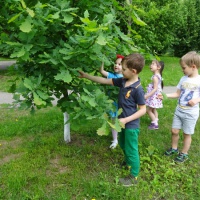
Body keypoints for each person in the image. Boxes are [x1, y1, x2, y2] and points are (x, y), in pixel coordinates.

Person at [78, 53, 146, 186]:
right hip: (120, 122)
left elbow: (143, 110)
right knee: (122, 143)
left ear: (133, 71)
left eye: (124, 69)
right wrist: (87, 76)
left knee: (131, 149)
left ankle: (134, 176)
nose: (121, 70)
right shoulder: (123, 81)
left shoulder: (138, 89)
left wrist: (126, 120)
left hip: (131, 125)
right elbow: (103, 80)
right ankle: (127, 162)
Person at [159, 51, 200, 163]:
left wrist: (196, 100)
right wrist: (165, 96)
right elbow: (177, 93)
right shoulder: (183, 79)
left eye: (184, 68)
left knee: (187, 134)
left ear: (193, 67)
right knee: (174, 131)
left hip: (191, 113)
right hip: (179, 110)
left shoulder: (199, 80)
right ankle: (174, 148)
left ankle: (184, 153)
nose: (182, 70)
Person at [99, 54, 124, 149]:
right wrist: (102, 60)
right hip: (112, 103)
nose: (116, 65)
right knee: (113, 120)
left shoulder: (125, 78)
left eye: (119, 64)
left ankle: (119, 138)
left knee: (119, 121)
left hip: (121, 103)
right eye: (115, 63)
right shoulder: (112, 76)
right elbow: (101, 71)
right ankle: (115, 139)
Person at [145, 60, 164, 130]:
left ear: (158, 67)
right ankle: (156, 119)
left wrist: (147, 96)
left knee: (148, 110)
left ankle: (154, 123)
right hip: (156, 96)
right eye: (151, 64)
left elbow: (155, 89)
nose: (151, 65)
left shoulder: (155, 77)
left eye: (153, 64)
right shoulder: (158, 76)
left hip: (154, 97)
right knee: (153, 109)